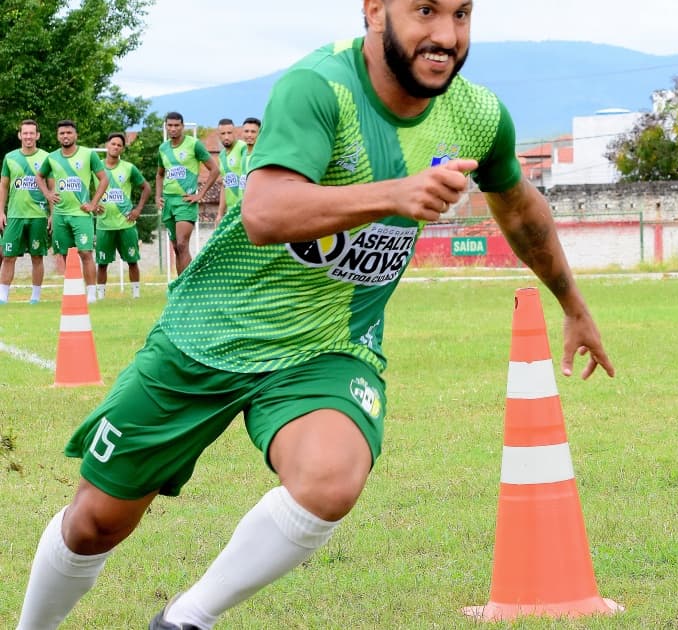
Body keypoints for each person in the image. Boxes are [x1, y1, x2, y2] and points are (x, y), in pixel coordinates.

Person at [16, 1, 615, 628]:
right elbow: (266, 212)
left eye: (462, 14)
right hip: (210, 333)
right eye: (427, 11)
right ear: (375, 11)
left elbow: (519, 207)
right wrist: (394, 194)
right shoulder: (319, 88)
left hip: (329, 346)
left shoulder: (478, 115)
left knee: (331, 478)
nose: (445, 35)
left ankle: (186, 619)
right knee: (94, 524)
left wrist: (572, 304)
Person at [35, 120, 109, 304]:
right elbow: (39, 176)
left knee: (85, 253)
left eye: (69, 132)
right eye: (62, 133)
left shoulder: (87, 155)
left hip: (81, 214)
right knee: (67, 255)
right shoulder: (52, 157)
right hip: (60, 214)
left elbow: (104, 179)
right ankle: (75, 291)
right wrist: (48, 194)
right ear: (57, 136)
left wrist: (93, 203)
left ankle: (91, 294)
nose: (65, 136)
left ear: (75, 135)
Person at [154, 112, 218, 274]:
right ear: (166, 127)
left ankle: (190, 285)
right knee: (176, 247)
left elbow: (214, 170)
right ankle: (181, 288)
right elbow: (160, 174)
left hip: (186, 202)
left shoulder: (193, 144)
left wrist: (200, 194)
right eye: (170, 125)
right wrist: (157, 196)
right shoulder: (163, 148)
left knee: (182, 244)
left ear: (182, 126)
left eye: (177, 125)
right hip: (168, 203)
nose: (173, 128)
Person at [0, 120, 51, 304]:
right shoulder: (10, 158)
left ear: (37, 135)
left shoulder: (47, 157)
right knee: (8, 256)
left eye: (32, 133)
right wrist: (1, 211)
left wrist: (52, 214)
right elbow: (4, 185)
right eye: (25, 133)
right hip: (14, 215)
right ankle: (3, 297)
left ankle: (35, 298)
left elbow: (51, 187)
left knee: (37, 257)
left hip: (38, 215)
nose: (28, 136)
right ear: (20, 135)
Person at [95, 132, 150, 300]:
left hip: (126, 224)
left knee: (132, 261)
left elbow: (146, 187)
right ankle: (100, 296)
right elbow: (82, 186)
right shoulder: (96, 167)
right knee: (102, 263)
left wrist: (138, 210)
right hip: (104, 224)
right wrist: (92, 203)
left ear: (122, 149)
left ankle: (136, 295)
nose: (115, 147)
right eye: (113, 143)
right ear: (107, 145)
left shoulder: (128, 168)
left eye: (119, 145)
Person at [214, 118, 247, 224]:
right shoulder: (221, 156)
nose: (226, 136)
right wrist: (220, 214)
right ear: (219, 135)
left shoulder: (243, 147)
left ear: (235, 133)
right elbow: (225, 185)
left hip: (244, 207)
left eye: (229, 133)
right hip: (231, 211)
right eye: (223, 133)